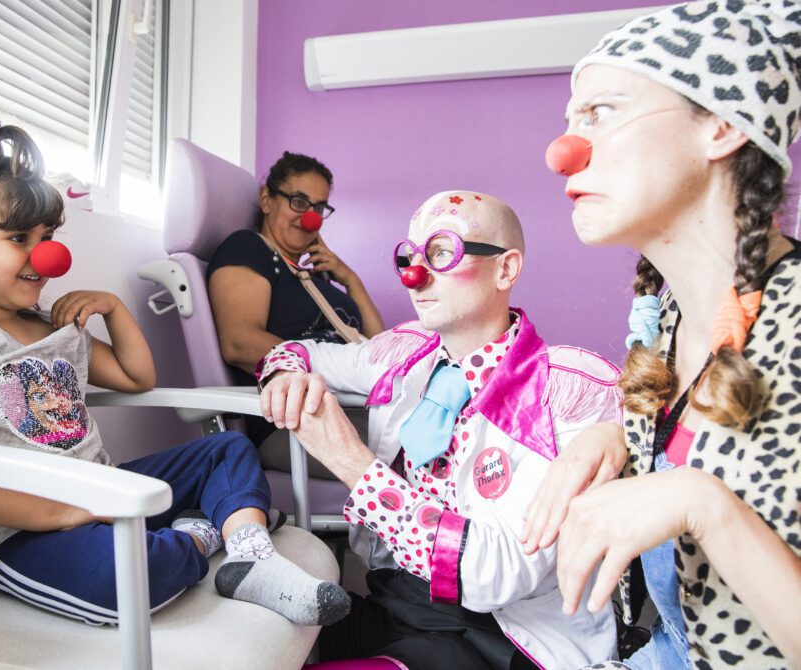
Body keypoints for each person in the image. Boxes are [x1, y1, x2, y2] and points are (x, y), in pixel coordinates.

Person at [0, 110, 350, 628]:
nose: (48, 255)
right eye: (18, 239)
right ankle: (206, 533)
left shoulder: (52, 328)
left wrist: (113, 309)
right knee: (135, 573)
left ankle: (251, 557)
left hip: (105, 491)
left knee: (229, 449)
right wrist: (58, 513)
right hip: (17, 534)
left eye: (48, 235)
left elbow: (136, 377)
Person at [521, 2, 801, 668]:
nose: (563, 152)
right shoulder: (668, 316)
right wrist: (614, 436)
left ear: (724, 125)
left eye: (602, 113)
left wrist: (705, 505)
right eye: (570, 122)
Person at [258, 190, 625, 669]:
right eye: (408, 256)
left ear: (506, 269)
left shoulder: (566, 390)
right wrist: (287, 375)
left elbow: (495, 576)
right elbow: (298, 351)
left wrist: (352, 462)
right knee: (255, 642)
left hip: (502, 636)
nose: (415, 275)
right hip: (397, 601)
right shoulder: (403, 354)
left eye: (441, 252)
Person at [207, 151, 384, 475]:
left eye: (318, 208)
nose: (310, 218)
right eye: (299, 202)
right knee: (428, 445)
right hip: (294, 422)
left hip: (354, 405)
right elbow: (239, 342)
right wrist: (334, 373)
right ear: (266, 199)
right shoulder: (248, 248)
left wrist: (350, 279)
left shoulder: (313, 277)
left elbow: (377, 344)